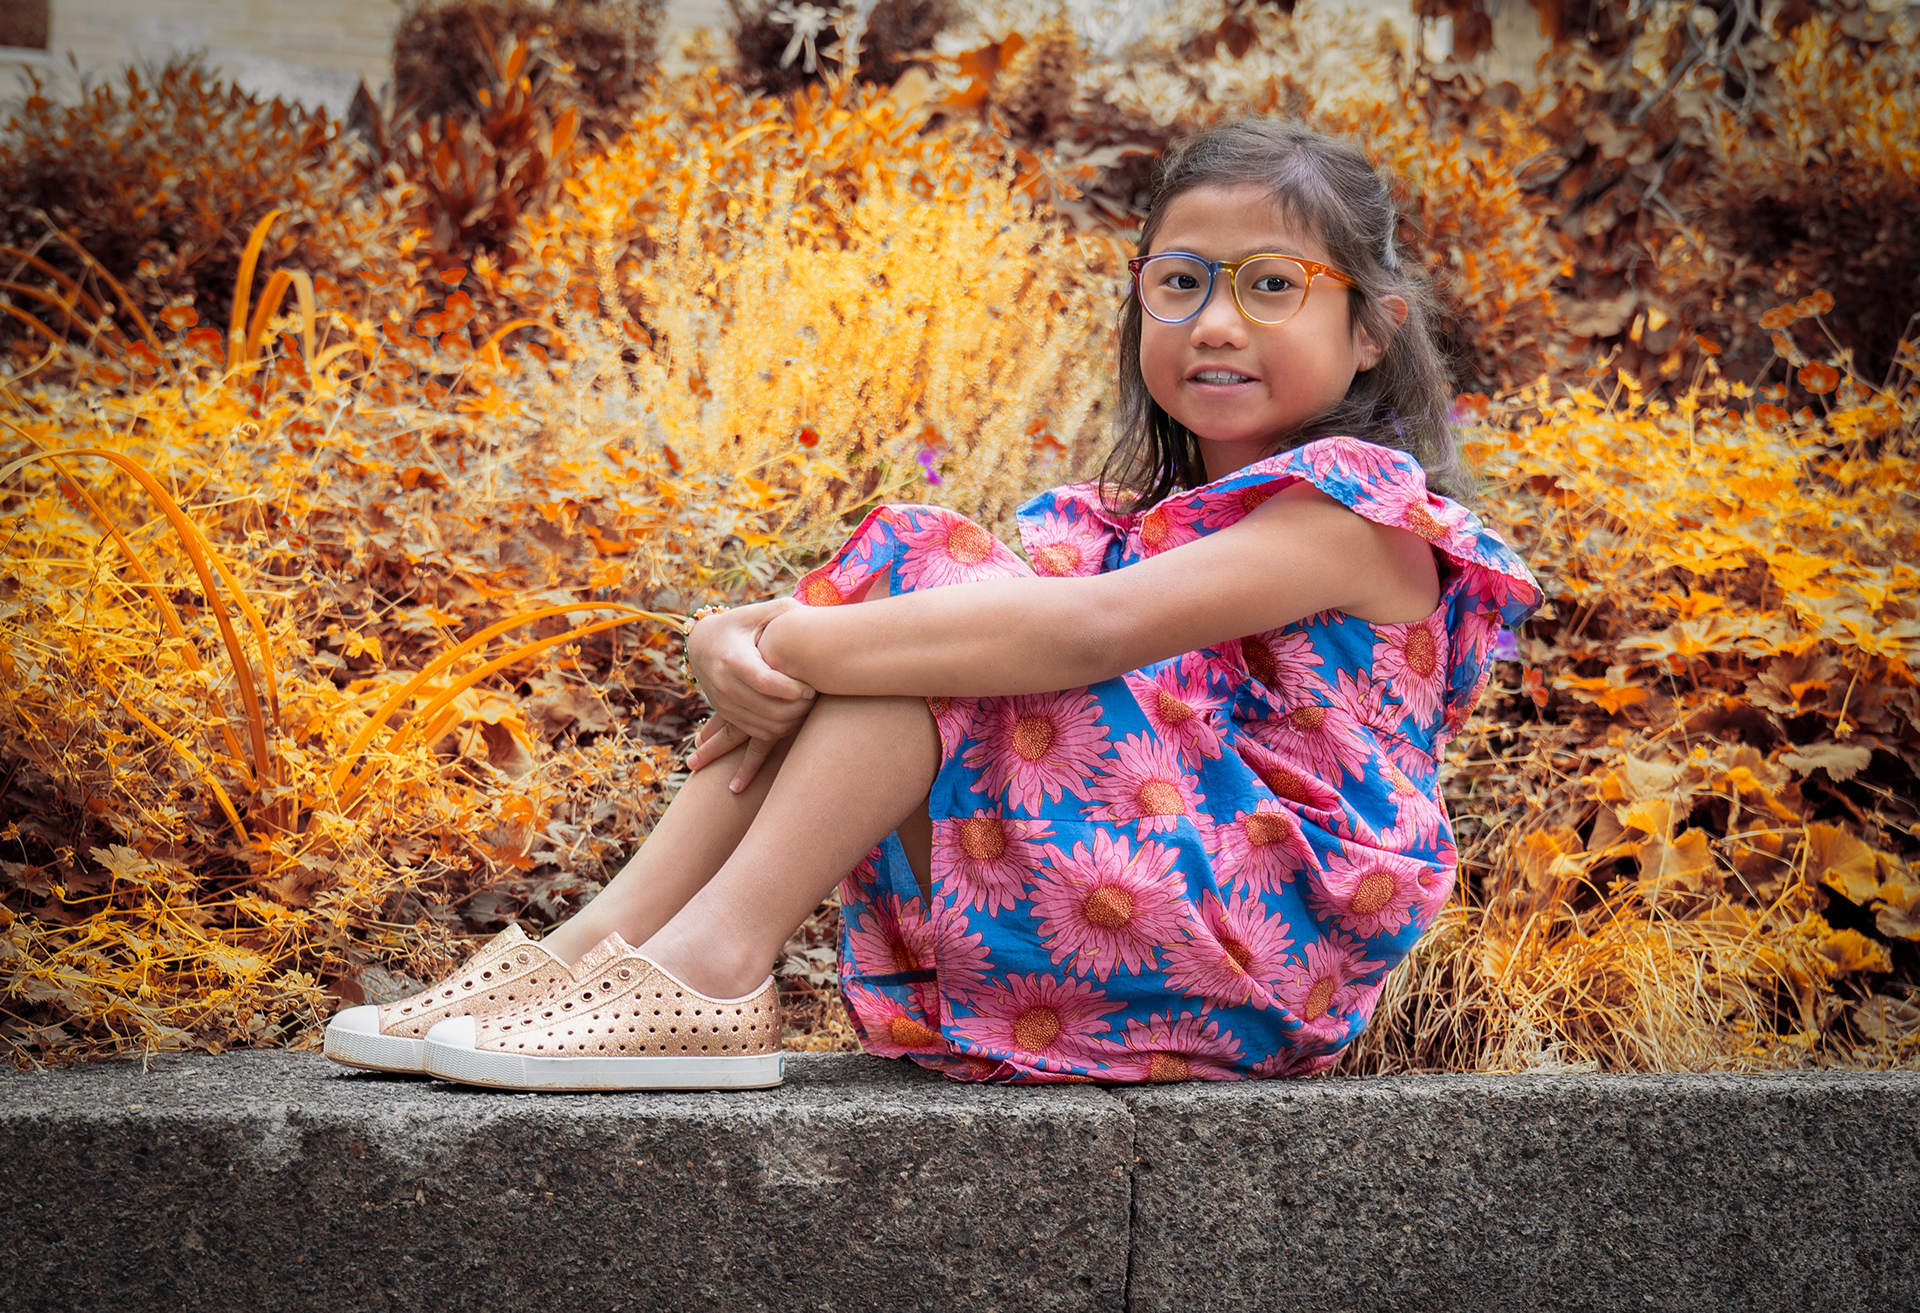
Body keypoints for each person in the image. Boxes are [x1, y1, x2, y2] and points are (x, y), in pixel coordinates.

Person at [322, 117, 1541, 1091]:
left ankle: (711, 961)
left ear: (1372, 330)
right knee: (922, 607)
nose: (1216, 322)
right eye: (1180, 282)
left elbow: (1085, 630)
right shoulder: (1139, 522)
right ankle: (605, 948)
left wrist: (787, 639)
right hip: (1172, 883)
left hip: (1272, 935)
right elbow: (964, 620)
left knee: (931, 597)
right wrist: (724, 632)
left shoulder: (1355, 515)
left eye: (1273, 285)